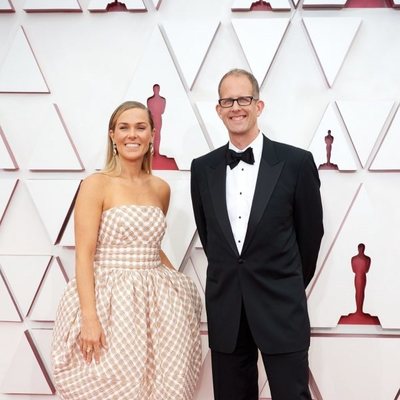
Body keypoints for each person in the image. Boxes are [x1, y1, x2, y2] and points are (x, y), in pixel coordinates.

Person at [52, 101, 202, 400]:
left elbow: (151, 245)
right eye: (124, 127)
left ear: (152, 135)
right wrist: (89, 317)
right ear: (112, 135)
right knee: (110, 388)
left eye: (140, 127)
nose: (132, 134)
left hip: (155, 306)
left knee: (159, 387)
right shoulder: (96, 184)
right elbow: (83, 254)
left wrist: (179, 286)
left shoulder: (160, 188)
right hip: (110, 303)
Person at [190, 69, 323, 400]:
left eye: (244, 99)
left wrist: (284, 282)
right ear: (219, 109)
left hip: (281, 306)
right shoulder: (202, 168)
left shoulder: (296, 163)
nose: (236, 107)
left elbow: (310, 237)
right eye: (227, 100)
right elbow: (210, 238)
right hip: (227, 311)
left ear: (259, 105)